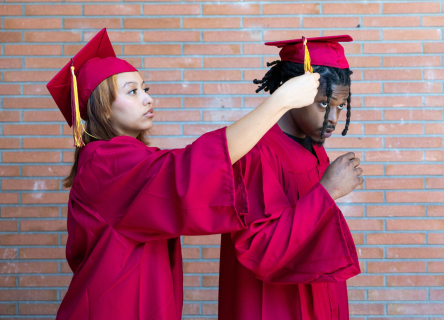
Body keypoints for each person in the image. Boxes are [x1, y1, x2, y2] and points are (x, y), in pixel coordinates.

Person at [46, 28, 320, 320]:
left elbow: (187, 169)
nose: (148, 99)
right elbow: (189, 171)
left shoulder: (129, 159)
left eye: (145, 89)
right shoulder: (104, 164)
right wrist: (280, 102)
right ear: (103, 109)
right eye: (132, 91)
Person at [218, 35, 362, 320]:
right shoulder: (255, 152)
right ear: (293, 93)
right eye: (323, 103)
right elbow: (260, 249)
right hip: (274, 304)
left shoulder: (313, 148)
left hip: (318, 293)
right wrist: (327, 191)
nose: (333, 117)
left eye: (341, 106)